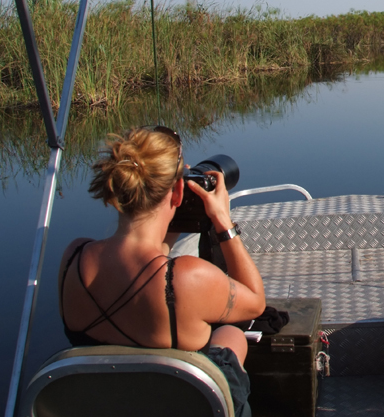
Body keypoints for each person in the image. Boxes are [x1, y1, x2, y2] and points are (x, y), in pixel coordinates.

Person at [58, 126, 265, 417]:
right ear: (179, 191)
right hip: (181, 404)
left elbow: (145, 270)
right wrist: (222, 221)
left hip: (108, 404)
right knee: (231, 333)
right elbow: (255, 303)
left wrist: (174, 222)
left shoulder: (74, 259)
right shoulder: (185, 279)